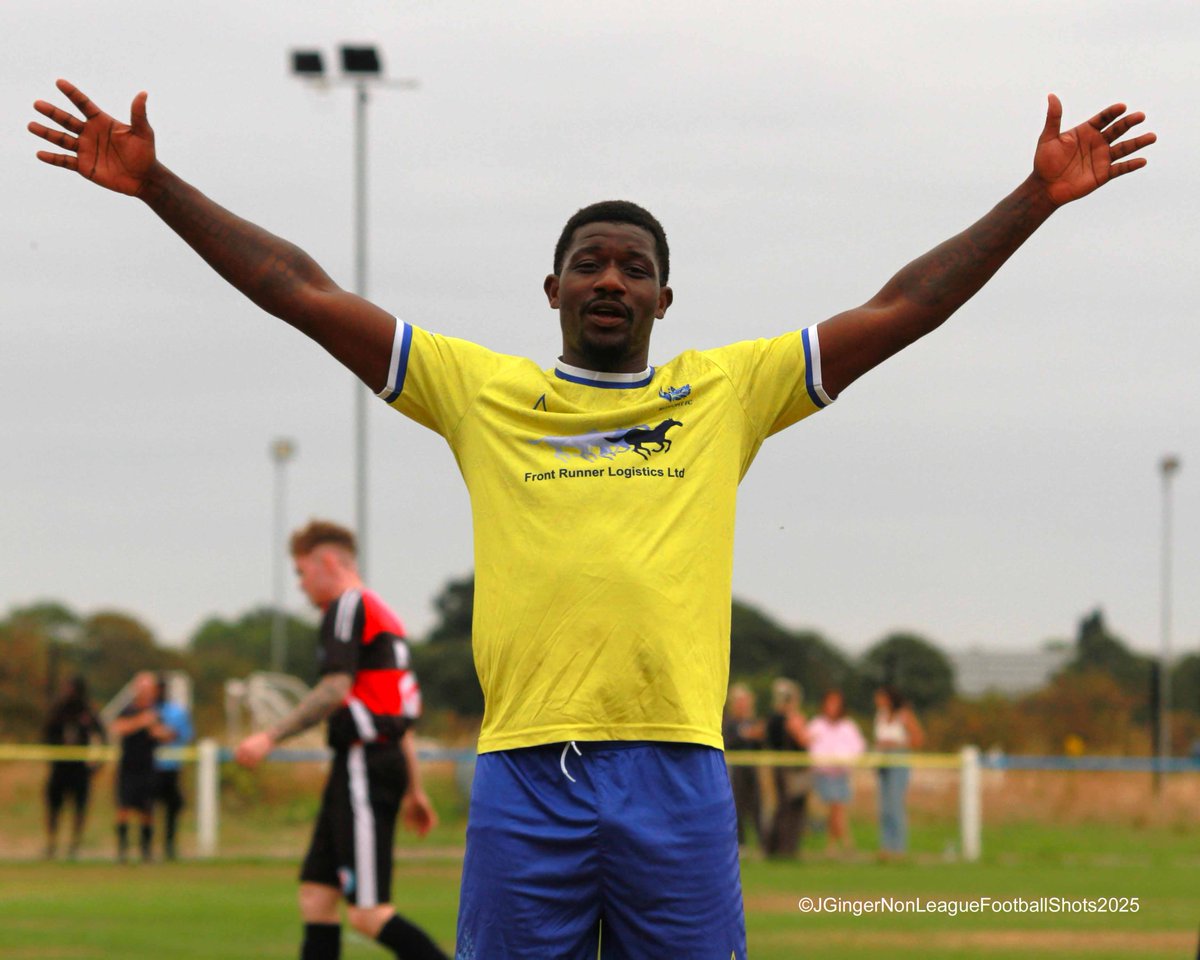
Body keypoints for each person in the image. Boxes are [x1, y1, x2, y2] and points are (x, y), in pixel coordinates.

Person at [28, 79, 1154, 958]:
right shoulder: (481, 391)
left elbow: (902, 307)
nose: (611, 279)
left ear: (664, 297)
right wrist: (159, 186)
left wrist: (1033, 199)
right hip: (526, 774)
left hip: (678, 770)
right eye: (588, 263)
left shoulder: (725, 391)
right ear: (553, 288)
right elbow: (300, 289)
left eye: (635, 267)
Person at [233, 520, 446, 960]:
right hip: (370, 762)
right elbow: (397, 715)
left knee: (368, 913)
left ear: (327, 561)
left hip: (364, 764)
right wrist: (416, 788)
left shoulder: (347, 606)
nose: (300, 585)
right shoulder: (385, 615)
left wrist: (269, 736)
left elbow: (335, 688)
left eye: (301, 572)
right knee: (317, 896)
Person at [109, 670, 172, 863]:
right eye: (142, 688)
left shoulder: (156, 712)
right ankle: (122, 851)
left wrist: (156, 729)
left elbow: (167, 735)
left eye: (148, 688)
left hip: (148, 767)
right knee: (123, 808)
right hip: (128, 766)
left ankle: (146, 851)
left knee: (147, 810)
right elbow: (116, 728)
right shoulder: (128, 710)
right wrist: (140, 722)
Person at [42, 675, 106, 859]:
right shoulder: (58, 709)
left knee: (79, 807)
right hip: (60, 767)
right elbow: (46, 733)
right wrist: (52, 755)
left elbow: (102, 736)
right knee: (54, 807)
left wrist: (96, 765)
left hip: (79, 769)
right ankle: (52, 844)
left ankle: (74, 845)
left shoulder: (87, 711)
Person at [805, 689, 865, 855]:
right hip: (824, 773)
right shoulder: (817, 724)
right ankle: (845, 843)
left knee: (837, 807)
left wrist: (845, 760)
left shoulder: (848, 726)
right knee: (835, 807)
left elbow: (858, 747)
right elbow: (810, 746)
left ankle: (835, 844)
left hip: (841, 773)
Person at [873, 683, 925, 860]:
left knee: (895, 805)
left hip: (898, 760)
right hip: (883, 761)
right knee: (884, 807)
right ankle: (886, 847)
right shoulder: (880, 716)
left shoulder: (904, 715)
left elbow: (918, 739)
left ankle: (898, 848)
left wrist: (897, 744)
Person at [762, 678, 810, 860]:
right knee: (789, 808)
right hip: (790, 770)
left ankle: (775, 847)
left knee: (782, 807)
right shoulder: (788, 719)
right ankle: (785, 848)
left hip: (782, 768)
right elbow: (803, 740)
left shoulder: (772, 718)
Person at [153, 673, 194, 861]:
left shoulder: (176, 712)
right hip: (149, 768)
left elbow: (185, 735)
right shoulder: (146, 711)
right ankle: (147, 847)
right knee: (148, 809)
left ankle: (169, 846)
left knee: (173, 807)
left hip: (171, 768)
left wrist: (166, 734)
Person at [721, 683, 765, 850]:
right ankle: (740, 843)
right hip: (735, 770)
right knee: (737, 805)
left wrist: (758, 737)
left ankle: (761, 843)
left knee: (756, 805)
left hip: (752, 770)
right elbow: (728, 742)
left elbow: (759, 747)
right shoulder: (729, 723)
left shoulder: (753, 721)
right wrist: (746, 735)